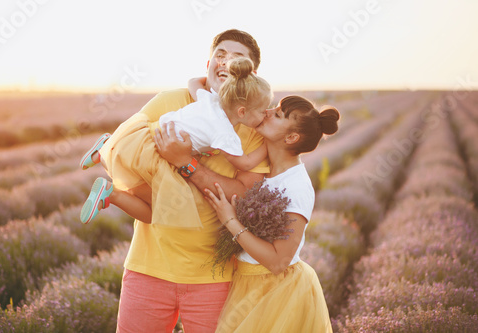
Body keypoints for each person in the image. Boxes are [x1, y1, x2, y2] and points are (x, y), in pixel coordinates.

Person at [89, 29, 269, 332]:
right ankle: (104, 169)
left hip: (216, 277)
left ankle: (107, 178)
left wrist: (185, 162)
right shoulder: (171, 100)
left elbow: (241, 195)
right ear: (209, 63)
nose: (225, 63)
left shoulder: (253, 127)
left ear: (249, 74)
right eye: (220, 55)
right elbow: (133, 152)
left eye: (237, 59)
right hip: (149, 268)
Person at [155, 95, 338, 332]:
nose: (268, 111)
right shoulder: (265, 171)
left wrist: (230, 220)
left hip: (273, 293)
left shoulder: (296, 186)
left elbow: (278, 261)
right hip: (245, 281)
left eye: (279, 114)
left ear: (291, 137)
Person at [79, 57, 272, 229]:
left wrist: (230, 78)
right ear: (242, 112)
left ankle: (104, 149)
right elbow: (245, 163)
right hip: (156, 153)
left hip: (140, 137)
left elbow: (193, 82)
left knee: (134, 182)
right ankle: (109, 191)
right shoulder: (225, 135)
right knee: (157, 210)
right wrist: (269, 143)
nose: (265, 115)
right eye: (263, 111)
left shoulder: (209, 100)